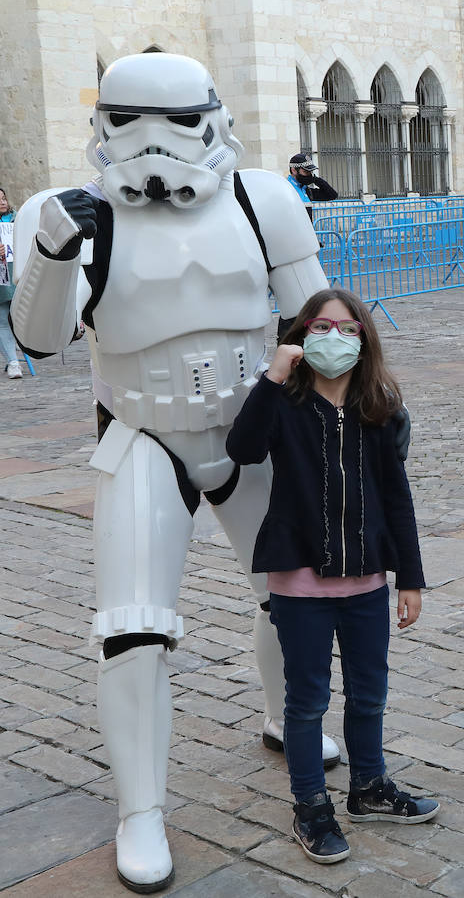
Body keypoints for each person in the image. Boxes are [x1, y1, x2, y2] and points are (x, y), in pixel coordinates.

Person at [8, 52, 339, 892]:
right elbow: (41, 340)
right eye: (131, 123)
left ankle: (287, 716)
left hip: (250, 425)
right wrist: (52, 252)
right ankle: (141, 811)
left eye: (176, 122)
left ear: (213, 116)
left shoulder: (265, 198)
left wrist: (345, 420)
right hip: (141, 435)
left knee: (292, 589)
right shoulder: (64, 209)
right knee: (134, 624)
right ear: (103, 125)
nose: (154, 146)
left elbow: (319, 318)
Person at [226, 287, 436, 865]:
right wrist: (272, 376)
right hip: (300, 588)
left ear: (363, 339)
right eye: (320, 328)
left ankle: (368, 787)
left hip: (366, 585)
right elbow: (241, 449)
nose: (334, 339)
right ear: (300, 337)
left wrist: (410, 579)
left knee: (369, 695)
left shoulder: (380, 410)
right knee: (307, 701)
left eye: (347, 329)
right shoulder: (284, 405)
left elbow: (398, 499)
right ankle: (310, 805)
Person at [279, 154, 338, 343]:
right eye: (306, 171)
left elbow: (331, 195)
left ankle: (309, 331)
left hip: (307, 247)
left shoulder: (306, 190)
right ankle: (286, 338)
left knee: (311, 291)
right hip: (291, 249)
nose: (309, 175)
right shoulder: (284, 189)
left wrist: (315, 179)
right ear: (294, 170)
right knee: (293, 293)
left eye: (311, 171)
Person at [1, 186, 22, 379]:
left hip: (17, 274)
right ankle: (13, 362)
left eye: (3, 198)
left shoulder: (18, 220)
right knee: (2, 320)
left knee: (19, 317)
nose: (2, 202)